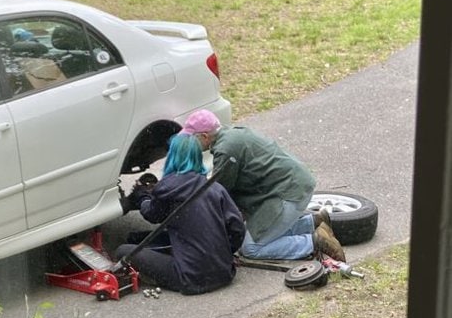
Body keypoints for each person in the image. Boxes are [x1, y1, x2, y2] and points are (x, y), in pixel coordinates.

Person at [179, 109, 346, 263]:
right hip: (294, 185)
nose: (190, 143)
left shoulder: (225, 149)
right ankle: (314, 222)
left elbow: (220, 192)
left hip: (286, 194)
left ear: (204, 136)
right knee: (252, 233)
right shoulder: (235, 133)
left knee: (251, 248)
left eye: (192, 138)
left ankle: (314, 242)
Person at [114, 134, 245, 295]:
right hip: (225, 273)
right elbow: (237, 228)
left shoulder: (167, 188)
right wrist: (224, 252)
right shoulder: (215, 187)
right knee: (138, 238)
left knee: (123, 251)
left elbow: (152, 215)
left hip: (190, 278)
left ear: (172, 156)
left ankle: (159, 274)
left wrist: (142, 196)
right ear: (198, 157)